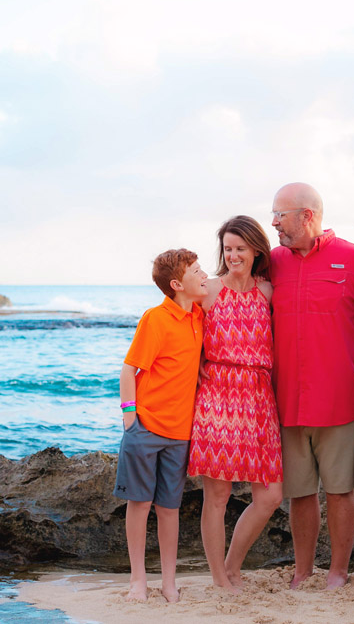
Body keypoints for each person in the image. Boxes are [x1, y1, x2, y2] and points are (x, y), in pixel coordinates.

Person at [269, 182, 354, 590]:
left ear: (306, 216)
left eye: (280, 215)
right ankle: (303, 570)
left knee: (340, 491)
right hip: (286, 401)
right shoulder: (273, 262)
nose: (274, 223)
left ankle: (338, 572)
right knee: (299, 493)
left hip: (338, 400)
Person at [189, 215, 284, 592]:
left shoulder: (268, 292)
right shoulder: (209, 291)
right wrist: (195, 363)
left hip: (259, 398)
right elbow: (182, 331)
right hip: (218, 396)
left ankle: (231, 566)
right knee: (217, 495)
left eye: (240, 248)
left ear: (256, 250)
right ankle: (219, 578)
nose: (233, 256)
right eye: (228, 249)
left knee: (271, 495)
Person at [114, 249, 208, 603]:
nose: (204, 275)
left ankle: (169, 582)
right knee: (139, 504)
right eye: (196, 271)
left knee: (170, 509)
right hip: (146, 428)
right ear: (177, 284)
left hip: (181, 434)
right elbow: (129, 369)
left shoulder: (198, 315)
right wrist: (130, 419)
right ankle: (138, 581)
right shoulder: (156, 318)